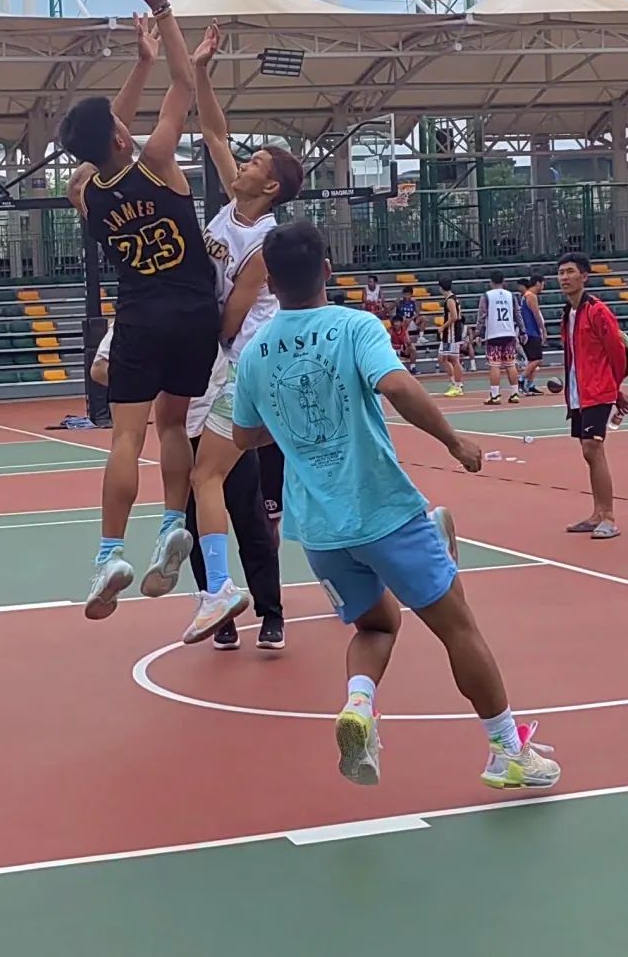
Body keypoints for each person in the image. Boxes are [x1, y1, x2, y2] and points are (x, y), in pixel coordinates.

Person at [231, 219, 560, 792]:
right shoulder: (354, 326)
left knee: (377, 624)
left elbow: (244, 436)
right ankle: (507, 750)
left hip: (320, 531)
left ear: (270, 282)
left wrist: (289, 426)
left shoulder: (255, 352)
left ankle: (359, 706)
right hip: (382, 509)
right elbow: (398, 385)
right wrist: (454, 442)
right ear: (326, 270)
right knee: (458, 627)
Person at [62, 0, 220, 620]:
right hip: (196, 314)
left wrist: (138, 66)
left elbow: (98, 139)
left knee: (126, 436)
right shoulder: (158, 161)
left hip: (139, 316)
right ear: (121, 136)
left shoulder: (85, 193)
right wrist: (161, 10)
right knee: (174, 423)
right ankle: (172, 524)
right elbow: (185, 84)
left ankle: (109, 554)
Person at [181, 19, 305, 643]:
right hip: (219, 363)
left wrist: (184, 324)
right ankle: (224, 601)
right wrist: (201, 70)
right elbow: (213, 130)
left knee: (216, 484)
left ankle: (249, 603)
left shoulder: (263, 241)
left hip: (244, 363)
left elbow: (232, 317)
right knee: (205, 487)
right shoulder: (232, 207)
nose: (243, 162)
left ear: (271, 185)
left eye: (254, 161)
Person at [91, 326, 284, 648]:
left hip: (221, 423)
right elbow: (100, 369)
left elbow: (236, 325)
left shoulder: (199, 309)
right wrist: (150, 380)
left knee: (250, 522)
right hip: (187, 435)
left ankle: (271, 614)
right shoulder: (135, 320)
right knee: (191, 530)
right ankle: (220, 615)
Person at [558, 251, 627, 540]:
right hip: (579, 393)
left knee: (592, 448)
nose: (564, 277)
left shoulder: (598, 311)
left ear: (584, 276)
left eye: (570, 272)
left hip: (598, 391)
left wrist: (615, 386)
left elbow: (618, 352)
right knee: (588, 452)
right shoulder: (568, 314)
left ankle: (608, 516)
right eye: (561, 272)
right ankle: (597, 514)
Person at [476, 270, 526, 405]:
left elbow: (482, 316)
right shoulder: (511, 296)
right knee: (511, 364)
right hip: (509, 333)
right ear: (503, 281)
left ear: (491, 282)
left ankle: (495, 395)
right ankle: (514, 393)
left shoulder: (487, 296)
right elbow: (517, 314)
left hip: (494, 334)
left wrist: (478, 333)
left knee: (494, 365)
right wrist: (523, 331)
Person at [518, 274, 547, 396]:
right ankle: (521, 379)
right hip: (531, 331)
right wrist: (543, 330)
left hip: (527, 331)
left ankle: (530, 385)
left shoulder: (525, 296)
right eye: (543, 284)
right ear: (538, 283)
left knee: (532, 361)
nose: (543, 287)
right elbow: (536, 314)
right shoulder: (531, 296)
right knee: (537, 360)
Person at [437, 276, 465, 396]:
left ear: (440, 288)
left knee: (454, 359)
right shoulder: (453, 298)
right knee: (442, 358)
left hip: (451, 334)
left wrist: (443, 327)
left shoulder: (450, 300)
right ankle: (454, 381)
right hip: (449, 334)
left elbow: (455, 317)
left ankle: (457, 385)